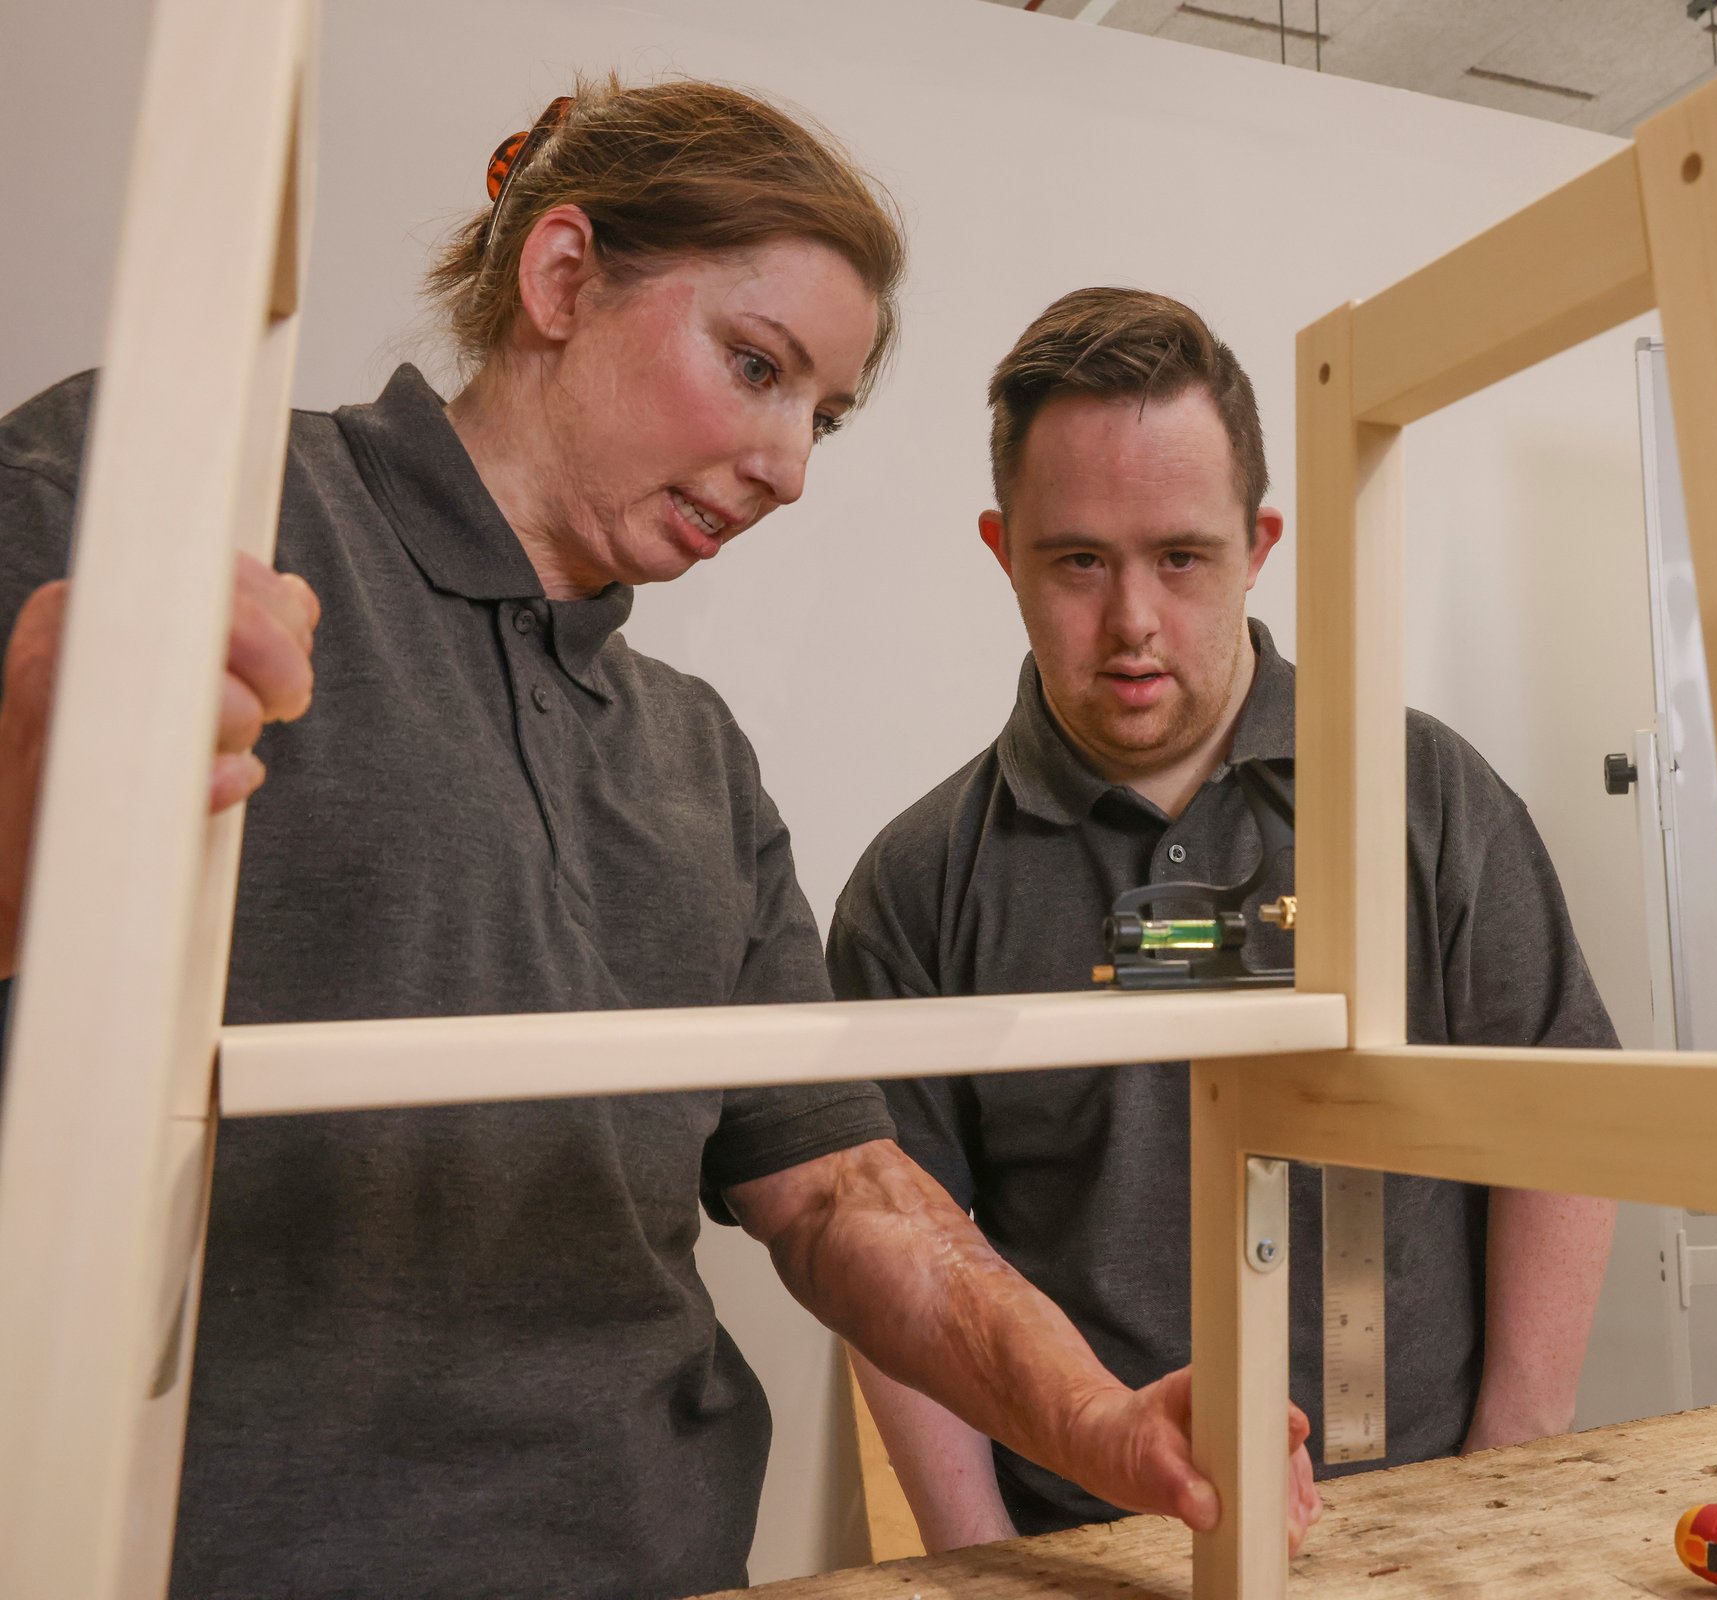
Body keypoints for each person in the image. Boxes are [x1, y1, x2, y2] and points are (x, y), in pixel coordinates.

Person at [0, 84, 1308, 1599]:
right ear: (561, 277)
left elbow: (837, 1191)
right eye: (755, 366)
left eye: (821, 416)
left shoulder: (695, 758)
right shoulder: (174, 494)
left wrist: (1095, 1419)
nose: (791, 465)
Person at [829, 287, 1621, 1549]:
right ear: (1002, 550)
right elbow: (895, 1258)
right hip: (1084, 1541)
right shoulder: (918, 888)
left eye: (1181, 558)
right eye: (1079, 561)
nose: (1133, 621)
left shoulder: (1424, 794)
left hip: (1423, 1510)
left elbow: (1562, 1120)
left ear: (1259, 544)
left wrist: (1501, 1480)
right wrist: (981, 1555)